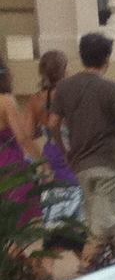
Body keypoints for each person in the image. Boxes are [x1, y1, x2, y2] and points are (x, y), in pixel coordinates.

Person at [47, 31, 115, 265]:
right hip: (110, 165)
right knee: (101, 229)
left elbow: (53, 124)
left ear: (81, 56)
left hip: (82, 166)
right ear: (107, 59)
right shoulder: (111, 88)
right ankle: (85, 271)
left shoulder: (64, 88)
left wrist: (65, 151)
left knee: (103, 220)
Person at [26, 51, 82, 226]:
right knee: (80, 216)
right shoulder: (74, 95)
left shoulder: (36, 100)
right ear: (64, 69)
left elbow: (29, 134)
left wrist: (44, 127)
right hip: (74, 154)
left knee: (54, 214)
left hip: (50, 158)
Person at [0, 60, 46, 226]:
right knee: (18, 219)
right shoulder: (6, 101)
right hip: (8, 163)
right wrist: (43, 162)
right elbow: (23, 137)